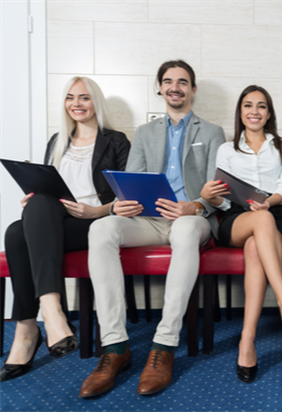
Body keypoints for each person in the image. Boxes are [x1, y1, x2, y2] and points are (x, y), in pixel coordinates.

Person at [79, 60, 226, 397]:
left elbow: (219, 193)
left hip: (192, 218)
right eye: (168, 81)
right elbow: (131, 179)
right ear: (159, 87)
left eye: (183, 81)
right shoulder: (145, 133)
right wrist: (125, 202)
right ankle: (115, 347)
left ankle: (164, 343)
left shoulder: (212, 132)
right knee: (101, 230)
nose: (175, 87)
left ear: (193, 89)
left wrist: (195, 205)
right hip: (147, 219)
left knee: (188, 229)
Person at [0, 77, 130, 382]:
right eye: (70, 98)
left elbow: (127, 199)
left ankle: (30, 328)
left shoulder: (116, 141)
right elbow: (50, 191)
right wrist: (33, 197)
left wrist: (94, 210)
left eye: (84, 98)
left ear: (95, 102)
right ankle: (43, 316)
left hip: (95, 223)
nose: (76, 104)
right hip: (55, 221)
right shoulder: (57, 141)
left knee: (18, 234)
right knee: (17, 229)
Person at [201, 85, 282, 384]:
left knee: (255, 247)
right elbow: (224, 201)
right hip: (235, 220)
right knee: (256, 220)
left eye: (261, 106)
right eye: (248, 105)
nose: (254, 111)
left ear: (269, 113)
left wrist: (268, 202)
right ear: (240, 112)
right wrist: (212, 198)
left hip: (271, 217)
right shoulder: (226, 149)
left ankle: (246, 342)